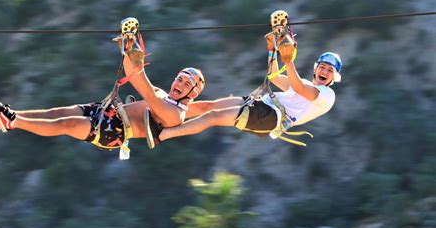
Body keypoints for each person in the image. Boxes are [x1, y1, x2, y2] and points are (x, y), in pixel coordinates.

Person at [0, 17, 206, 158]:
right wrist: (127, 46)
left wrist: (133, 55)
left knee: (67, 123)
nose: (179, 84)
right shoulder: (163, 93)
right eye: (179, 79)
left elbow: (144, 88)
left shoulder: (176, 115)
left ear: (193, 93)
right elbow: (132, 73)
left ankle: (12, 121)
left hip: (114, 131)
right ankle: (11, 114)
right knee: (59, 112)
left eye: (186, 84)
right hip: (107, 110)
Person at [144, 32, 342, 148]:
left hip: (269, 117)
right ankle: (163, 112)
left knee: (212, 116)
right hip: (262, 105)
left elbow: (298, 86)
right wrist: (272, 49)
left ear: (334, 77)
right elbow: (273, 75)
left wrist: (288, 59)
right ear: (316, 69)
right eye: (323, 67)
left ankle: (161, 135)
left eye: (329, 70)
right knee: (207, 105)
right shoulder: (305, 84)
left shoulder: (327, 95)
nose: (325, 72)